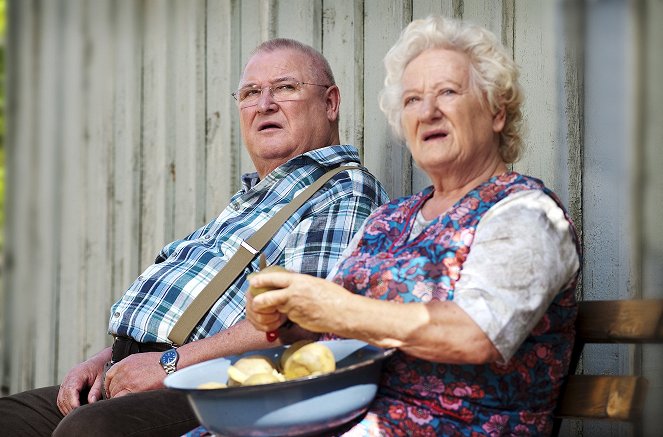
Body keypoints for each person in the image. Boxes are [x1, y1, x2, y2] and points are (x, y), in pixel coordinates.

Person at [0, 38, 388, 436]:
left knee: (91, 429)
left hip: (220, 386)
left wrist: (167, 365)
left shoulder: (343, 189)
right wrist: (103, 361)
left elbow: (302, 318)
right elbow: (181, 321)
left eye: (285, 88)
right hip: (134, 372)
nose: (264, 104)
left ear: (331, 103)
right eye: (250, 93)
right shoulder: (251, 201)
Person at [242, 16, 581, 436]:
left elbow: (475, 334)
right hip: (332, 418)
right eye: (412, 100)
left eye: (448, 92)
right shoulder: (389, 219)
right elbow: (333, 324)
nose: (428, 111)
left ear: (496, 111)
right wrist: (284, 315)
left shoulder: (526, 214)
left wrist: (341, 310)